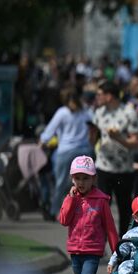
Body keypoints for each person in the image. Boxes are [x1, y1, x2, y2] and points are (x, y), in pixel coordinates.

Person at [58, 156, 118, 274]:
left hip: (92, 252)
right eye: (77, 178)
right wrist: (70, 199)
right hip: (75, 252)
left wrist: (117, 254)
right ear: (72, 179)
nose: (81, 182)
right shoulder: (72, 199)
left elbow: (110, 229)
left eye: (85, 178)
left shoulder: (101, 201)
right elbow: (63, 220)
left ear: (94, 179)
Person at [92, 81, 138, 236]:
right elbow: (94, 138)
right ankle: (100, 242)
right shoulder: (99, 113)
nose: (97, 97)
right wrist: (91, 136)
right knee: (101, 206)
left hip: (123, 168)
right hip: (103, 166)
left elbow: (136, 142)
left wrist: (119, 138)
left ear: (109, 96)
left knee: (124, 208)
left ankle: (123, 242)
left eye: (100, 94)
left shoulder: (128, 113)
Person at [39, 89, 93, 219]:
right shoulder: (86, 112)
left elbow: (50, 130)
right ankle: (87, 210)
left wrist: (42, 142)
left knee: (60, 182)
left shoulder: (62, 112)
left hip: (65, 151)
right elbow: (94, 126)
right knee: (86, 183)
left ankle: (54, 211)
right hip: (84, 151)